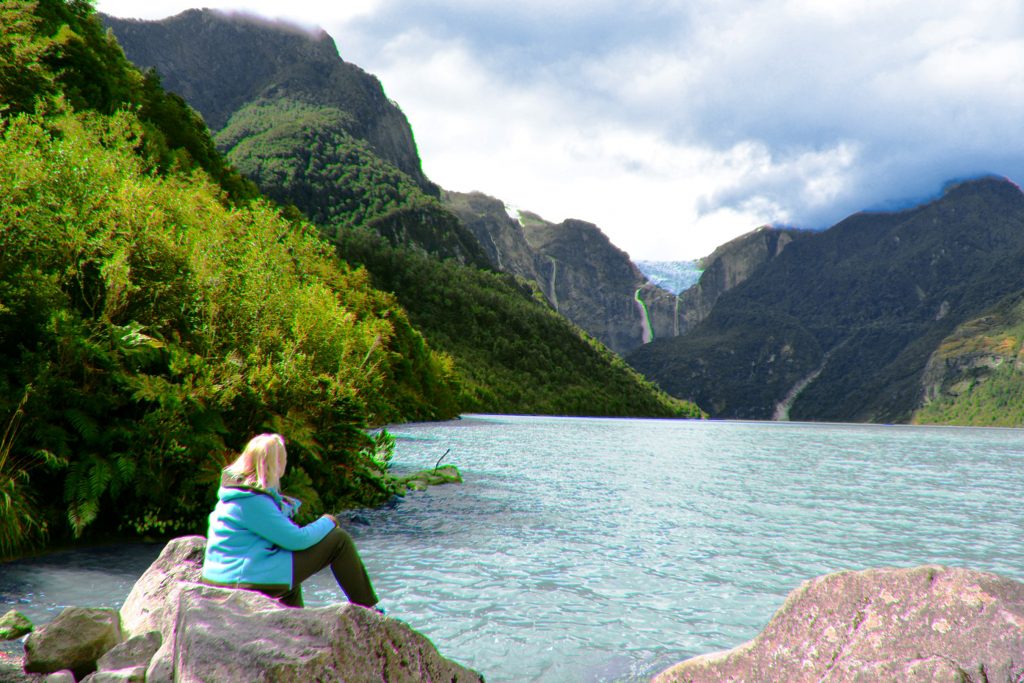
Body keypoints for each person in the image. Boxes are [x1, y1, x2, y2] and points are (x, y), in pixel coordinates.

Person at [201, 433, 380, 610]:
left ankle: (296, 624)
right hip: (242, 579)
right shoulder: (253, 501)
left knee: (288, 571)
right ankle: (368, 609)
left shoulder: (236, 494)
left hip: (221, 575)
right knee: (339, 540)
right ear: (276, 464)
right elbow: (297, 540)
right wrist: (328, 521)